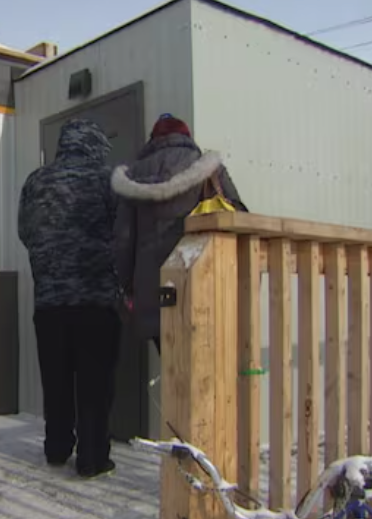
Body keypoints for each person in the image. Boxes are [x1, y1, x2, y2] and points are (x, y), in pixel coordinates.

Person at [17, 117, 121, 479]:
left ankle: (57, 448)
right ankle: (93, 458)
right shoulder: (108, 180)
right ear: (94, 145)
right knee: (94, 384)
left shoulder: (35, 180)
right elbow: (122, 233)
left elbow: (25, 232)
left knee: (56, 381)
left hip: (49, 302)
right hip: (96, 300)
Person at [111, 114, 247, 353]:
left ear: (153, 140)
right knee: (207, 373)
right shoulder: (207, 169)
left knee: (173, 373)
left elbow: (122, 241)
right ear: (186, 137)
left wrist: (127, 287)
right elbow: (239, 217)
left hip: (154, 296)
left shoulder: (133, 177)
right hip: (203, 289)